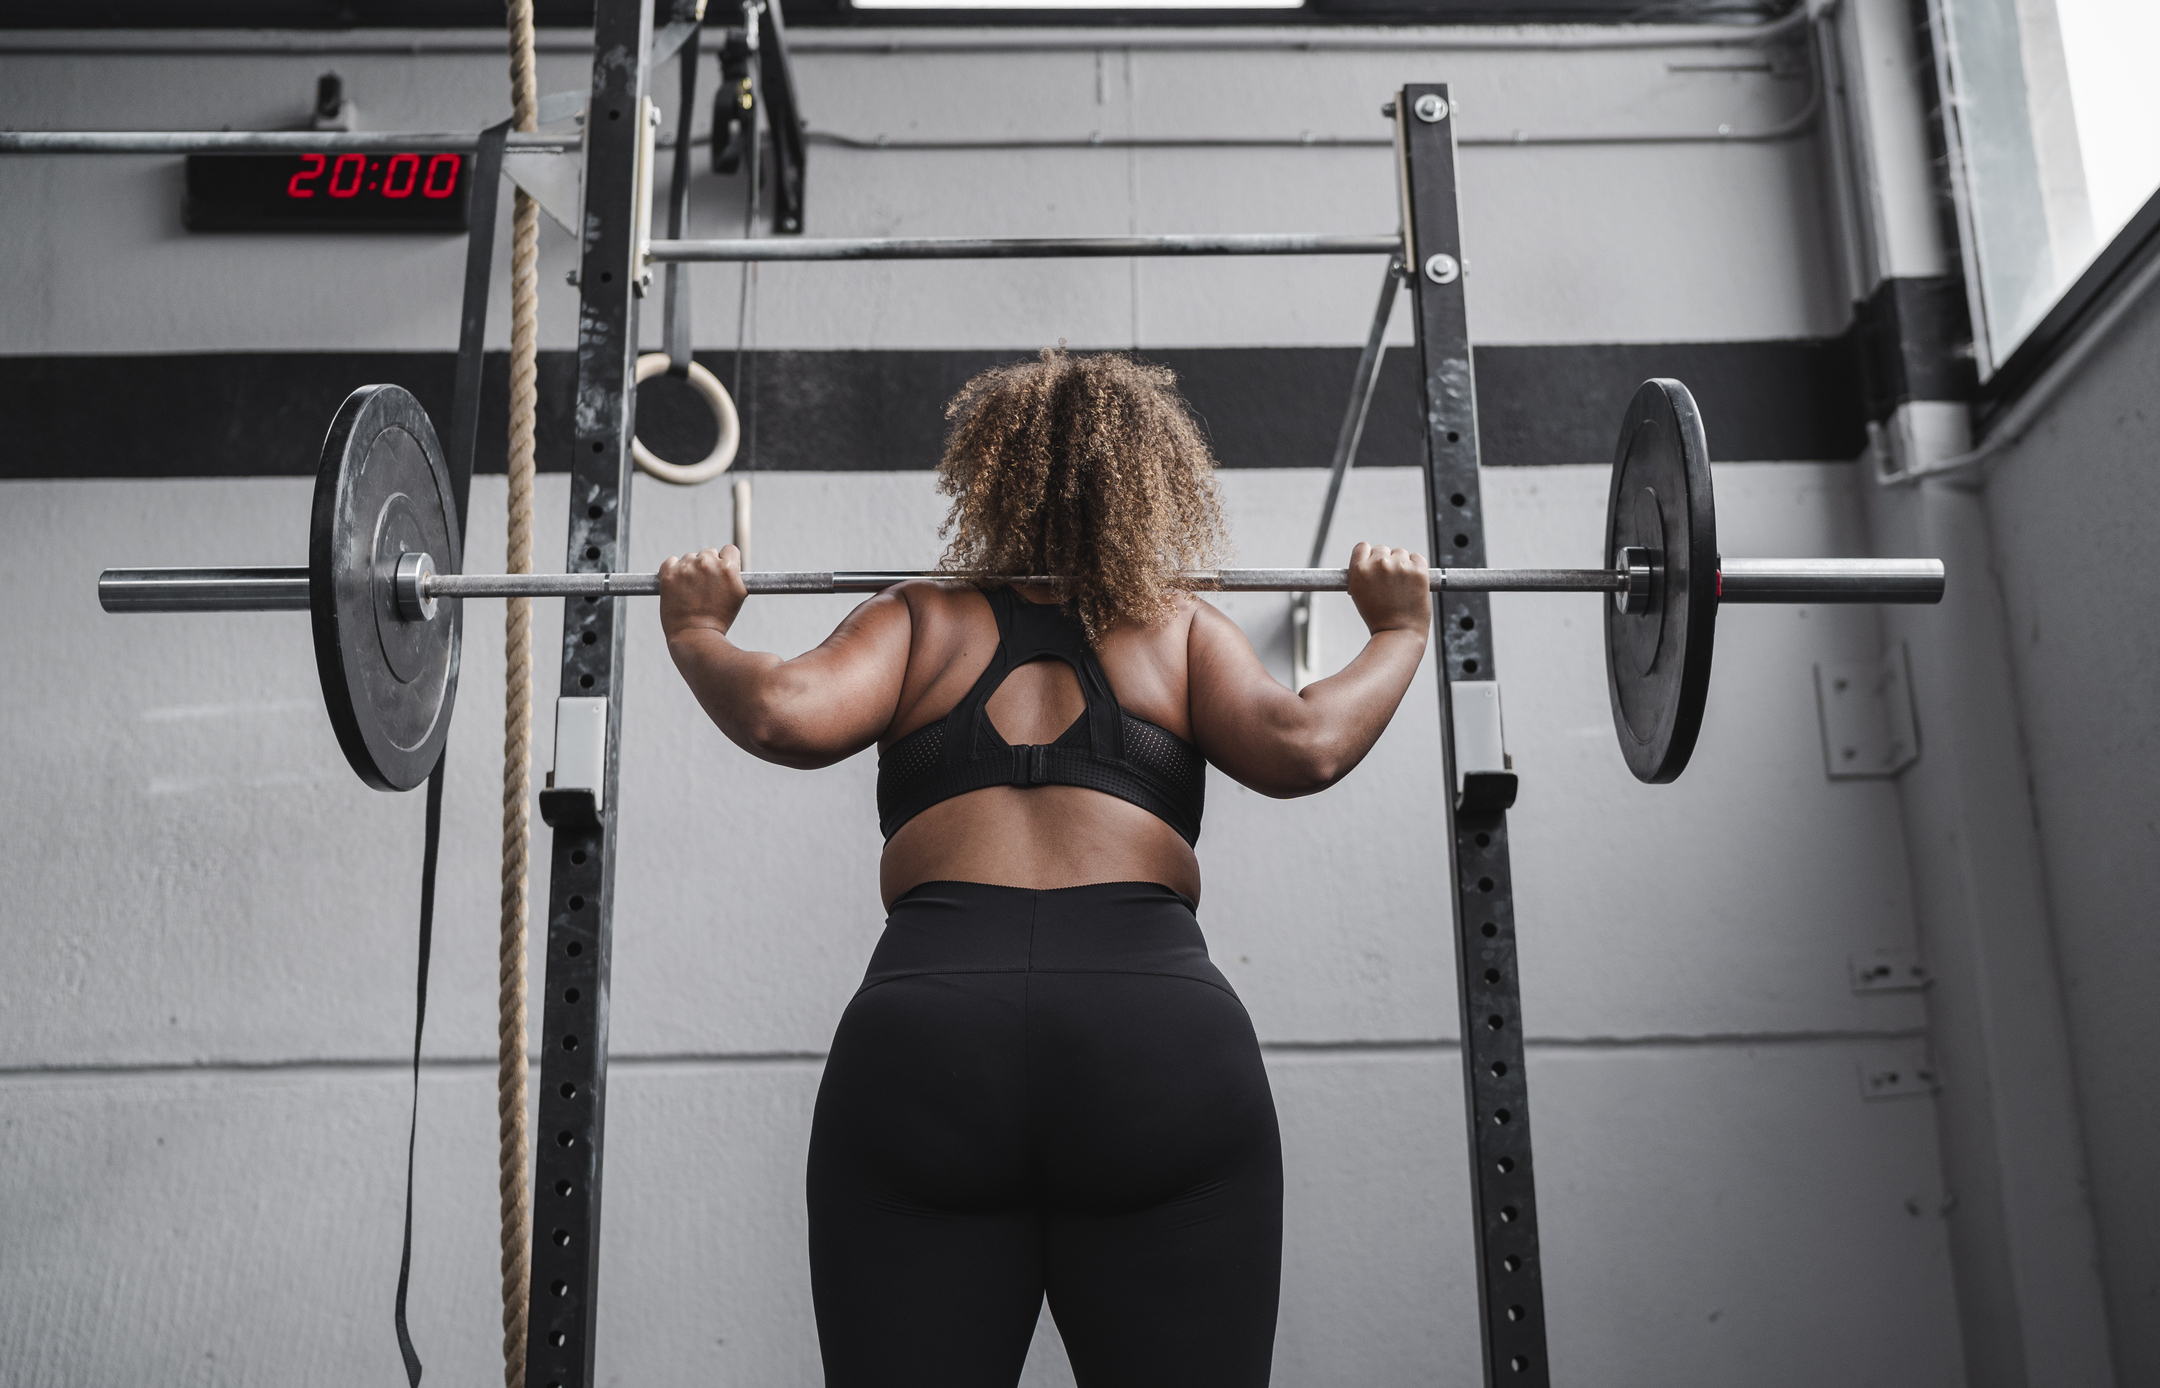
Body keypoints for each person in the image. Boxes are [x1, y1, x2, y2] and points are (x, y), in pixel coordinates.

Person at [657, 348, 1432, 1388]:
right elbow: (1306, 746)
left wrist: (696, 626)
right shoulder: (1176, 627)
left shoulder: (920, 618)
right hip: (1152, 1040)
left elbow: (781, 712)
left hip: (931, 1040)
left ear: (992, 479)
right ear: (1154, 482)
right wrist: (1401, 627)